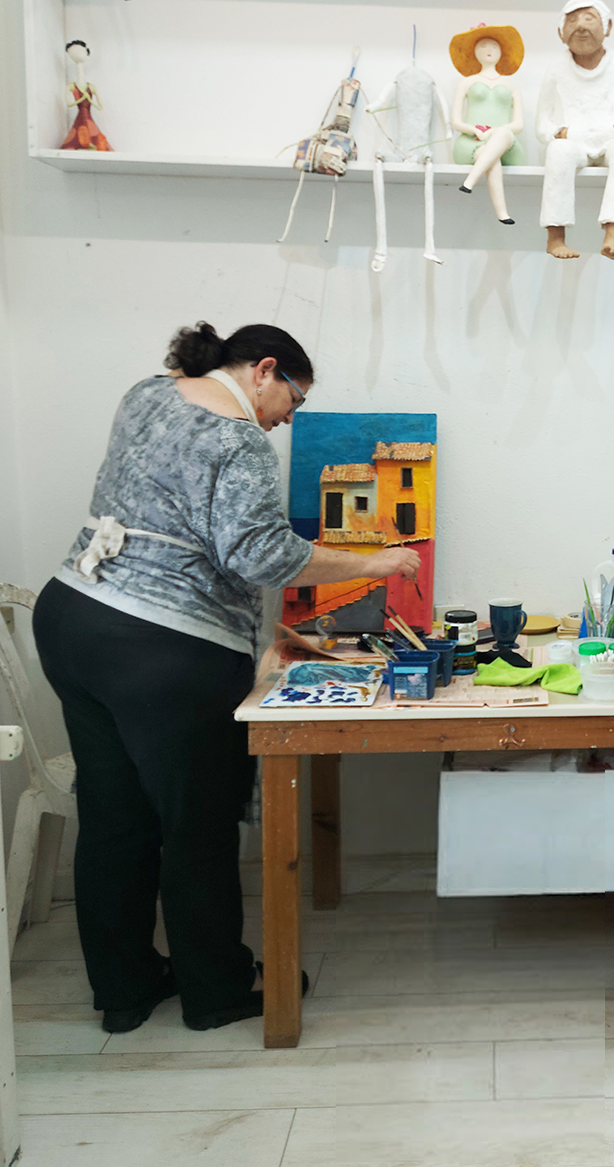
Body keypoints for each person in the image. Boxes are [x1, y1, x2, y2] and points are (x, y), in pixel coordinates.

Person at [32, 322, 420, 1034]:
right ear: (264, 370)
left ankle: (124, 990)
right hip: (162, 650)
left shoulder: (147, 394)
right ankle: (216, 990)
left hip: (73, 617)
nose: (288, 419)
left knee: (114, 819)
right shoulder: (237, 441)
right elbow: (262, 557)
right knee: (198, 826)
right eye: (294, 400)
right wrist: (375, 562)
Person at [536, 0, 614, 261]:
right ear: (561, 33)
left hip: (613, 138)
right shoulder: (556, 69)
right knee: (559, 151)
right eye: (572, 20)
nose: (581, 26)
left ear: (608, 27)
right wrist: (559, 133)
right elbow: (542, 122)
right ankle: (555, 237)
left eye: (589, 18)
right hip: (573, 140)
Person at [449, 23, 525, 224]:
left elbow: (518, 125)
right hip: (472, 142)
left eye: (494, 46)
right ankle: (502, 214)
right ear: (474, 51)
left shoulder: (510, 86)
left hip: (505, 143)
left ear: (502, 51)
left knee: (504, 135)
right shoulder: (466, 82)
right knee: (490, 157)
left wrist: (494, 132)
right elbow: (456, 121)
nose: (489, 50)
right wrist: (474, 130)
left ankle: (469, 181)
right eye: (483, 45)